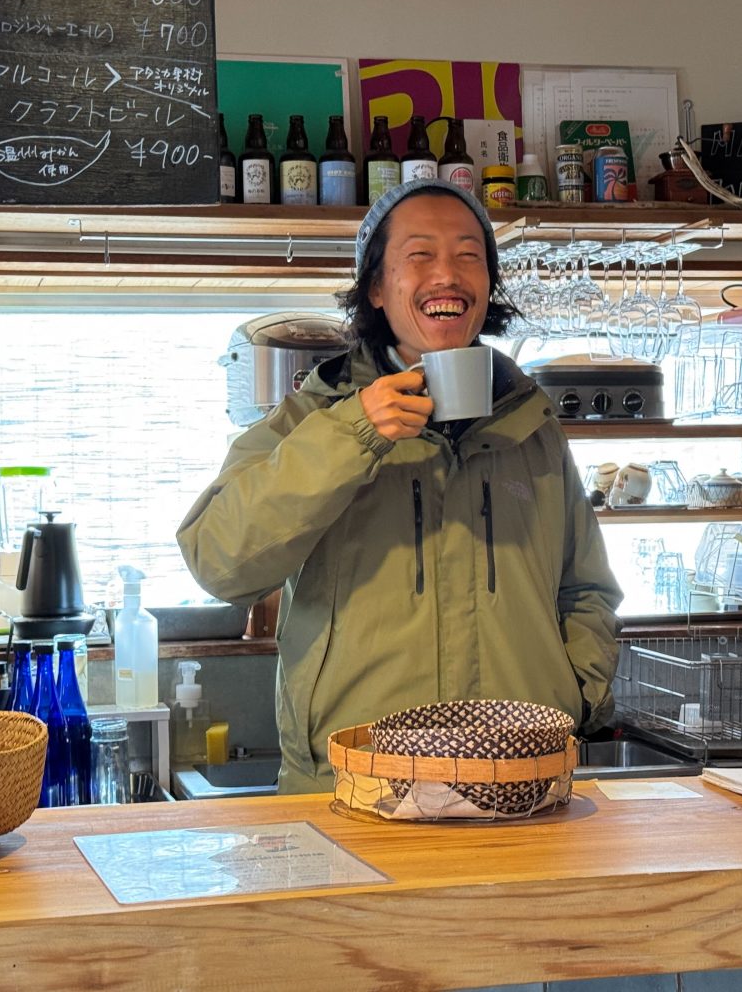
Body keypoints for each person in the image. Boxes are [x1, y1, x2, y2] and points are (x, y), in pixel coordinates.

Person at [178, 177, 621, 794]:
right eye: (420, 256)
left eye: (470, 255)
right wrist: (356, 431)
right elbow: (218, 562)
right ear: (377, 288)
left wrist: (577, 699)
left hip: (519, 782)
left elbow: (586, 589)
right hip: (355, 786)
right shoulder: (312, 417)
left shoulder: (531, 426)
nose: (448, 274)